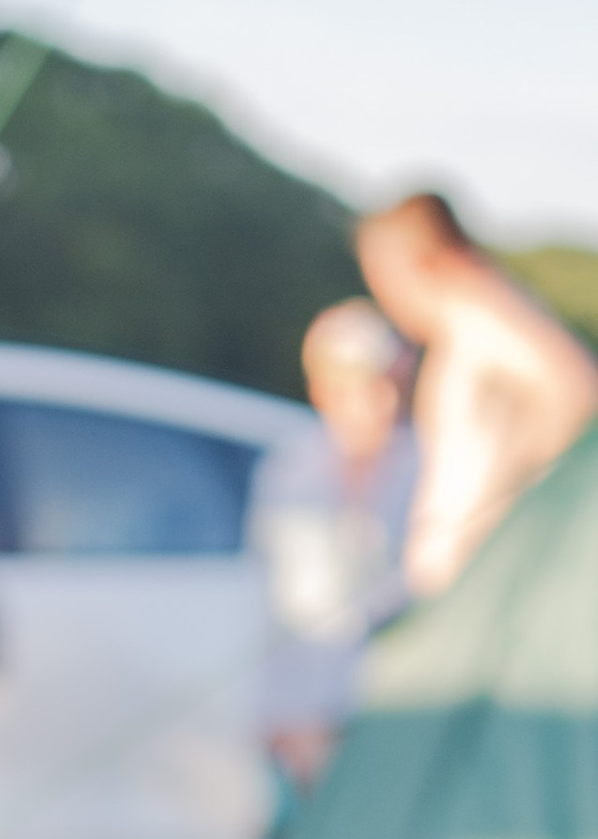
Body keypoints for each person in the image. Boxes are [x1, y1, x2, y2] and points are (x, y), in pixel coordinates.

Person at [355, 191, 598, 599]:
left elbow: (579, 391)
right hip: (471, 584)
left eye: (380, 275)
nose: (384, 296)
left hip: (490, 581)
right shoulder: (462, 323)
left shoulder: (477, 306)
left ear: (415, 260)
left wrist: (508, 499)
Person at [253, 299, 416, 789]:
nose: (384, 402)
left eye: (392, 383)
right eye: (365, 385)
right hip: (311, 718)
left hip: (405, 709)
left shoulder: (429, 465)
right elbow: (271, 602)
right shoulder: (289, 471)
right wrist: (279, 716)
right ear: (322, 389)